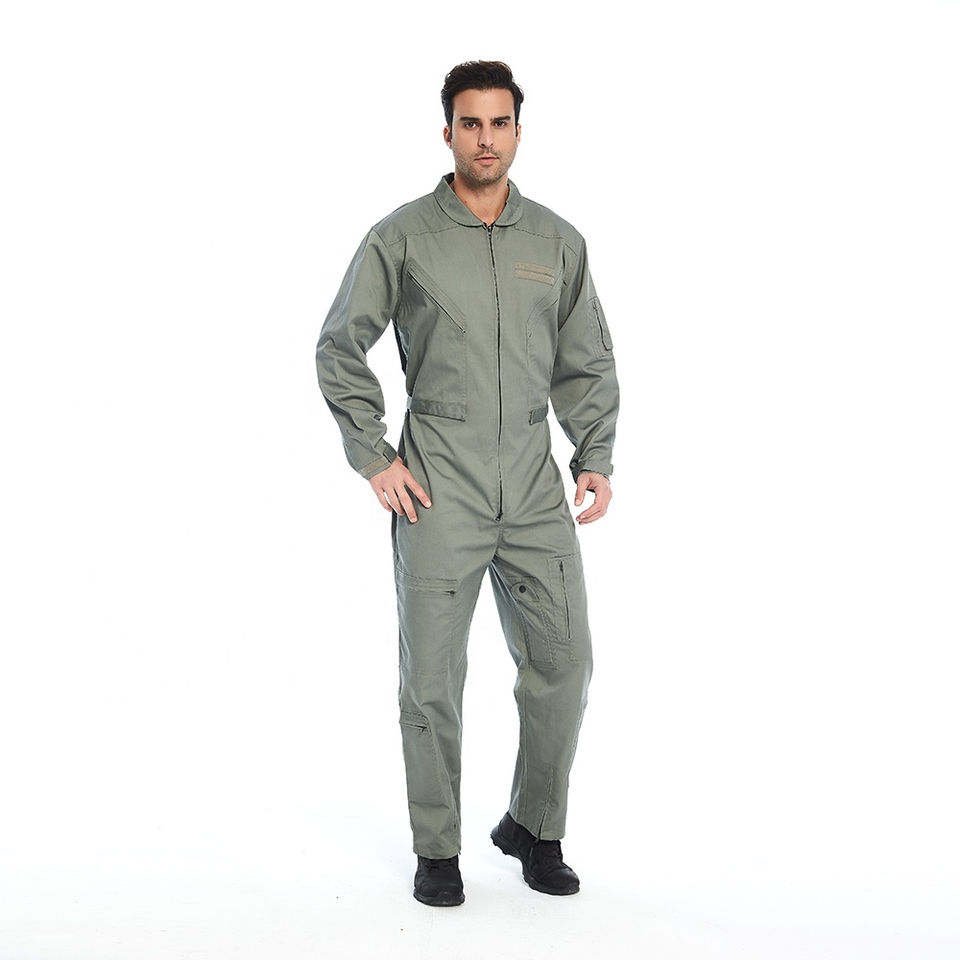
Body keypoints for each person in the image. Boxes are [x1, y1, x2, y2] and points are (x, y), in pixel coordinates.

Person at [315, 60, 619, 907]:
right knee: (432, 681)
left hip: (533, 485)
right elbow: (340, 345)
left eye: (500, 122)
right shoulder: (403, 236)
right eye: (471, 123)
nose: (486, 138)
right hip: (438, 486)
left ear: (519, 130)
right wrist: (375, 456)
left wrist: (594, 454)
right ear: (447, 131)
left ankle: (534, 826)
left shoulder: (557, 242)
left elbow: (586, 360)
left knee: (564, 661)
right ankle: (437, 848)